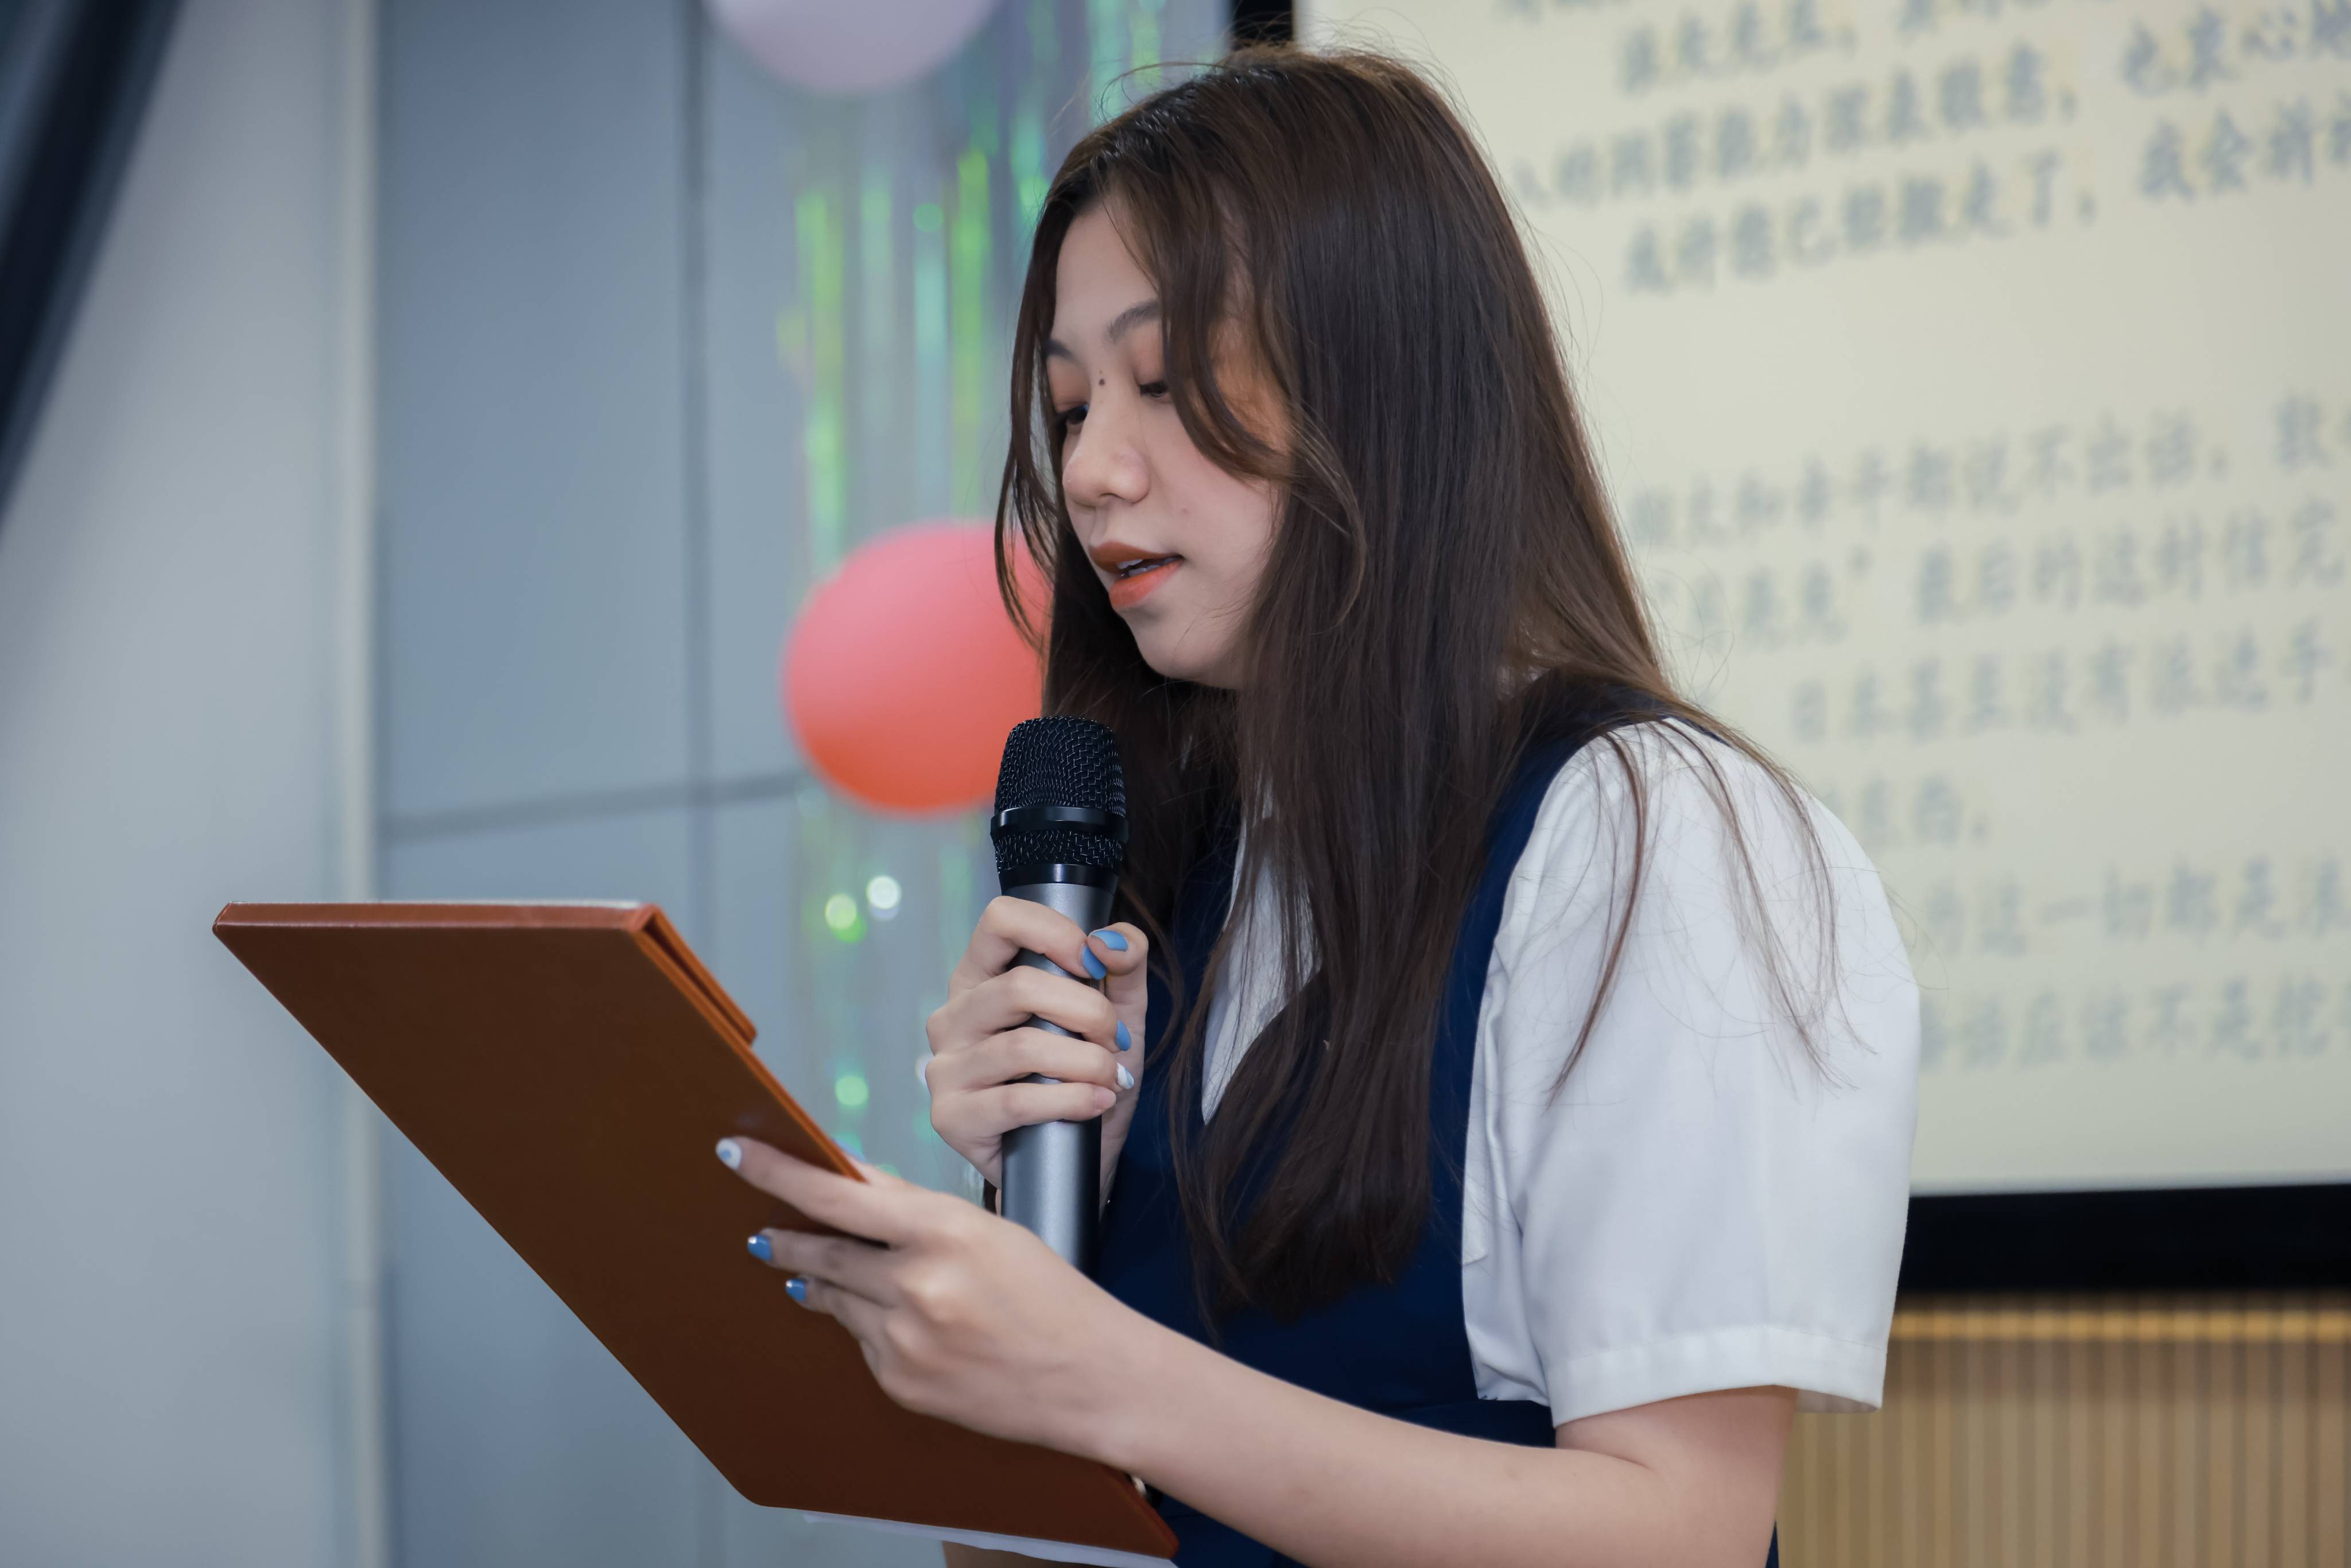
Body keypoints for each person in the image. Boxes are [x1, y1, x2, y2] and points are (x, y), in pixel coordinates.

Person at [717, 46, 1919, 1568]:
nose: (1091, 471)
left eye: (1165, 383)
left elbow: (1684, 1534)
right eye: (1073, 404)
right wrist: (1024, 1230)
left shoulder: (1648, 835)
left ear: (1382, 385)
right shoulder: (1174, 869)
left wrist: (1096, 1369)